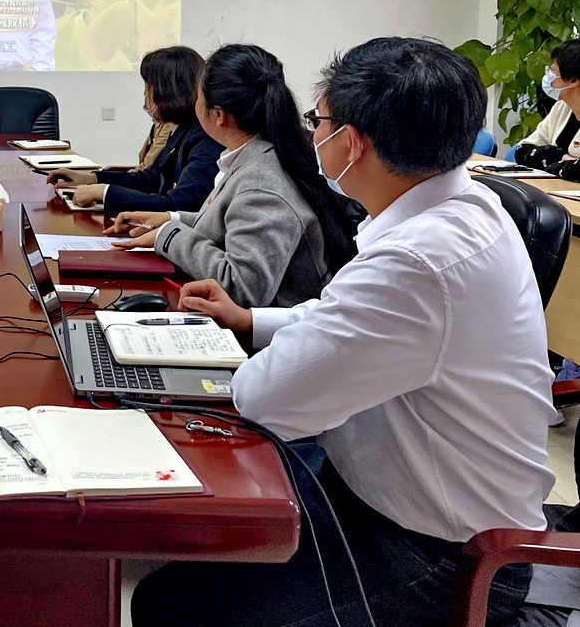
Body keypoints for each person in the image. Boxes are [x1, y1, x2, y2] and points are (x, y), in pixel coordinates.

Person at [131, 37, 553, 627]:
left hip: (439, 558)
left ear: (352, 143)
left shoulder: (417, 261)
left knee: (171, 603)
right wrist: (251, 321)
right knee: (190, 556)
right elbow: (347, 319)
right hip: (392, 506)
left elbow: (266, 399)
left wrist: (212, 359)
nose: (312, 133)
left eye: (318, 121)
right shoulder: (462, 207)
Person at [105, 44, 355, 308]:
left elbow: (242, 286)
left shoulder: (261, 185)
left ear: (218, 115)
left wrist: (168, 235)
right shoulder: (258, 154)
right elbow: (228, 224)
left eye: (197, 97)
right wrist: (171, 219)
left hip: (259, 339)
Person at [49, 46, 222, 214]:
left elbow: (177, 205)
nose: (145, 95)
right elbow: (149, 179)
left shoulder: (206, 139)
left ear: (166, 92)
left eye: (148, 88)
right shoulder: (182, 130)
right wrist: (93, 178)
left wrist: (105, 193)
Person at [515, 39, 580, 176]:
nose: (547, 76)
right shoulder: (562, 107)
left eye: (552, 71)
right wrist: (563, 157)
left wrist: (551, 161)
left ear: (573, 80)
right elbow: (523, 152)